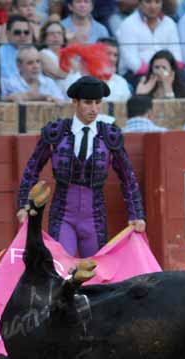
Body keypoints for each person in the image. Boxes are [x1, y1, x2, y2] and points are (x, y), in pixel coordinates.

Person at [17, 76, 146, 258]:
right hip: (63, 216)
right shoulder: (57, 132)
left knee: (95, 275)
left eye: (97, 103)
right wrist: (24, 205)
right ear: (75, 102)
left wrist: (136, 214)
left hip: (94, 217)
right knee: (61, 270)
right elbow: (32, 169)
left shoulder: (109, 135)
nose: (94, 109)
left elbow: (128, 177)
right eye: (87, 102)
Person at [116, 0, 182, 76]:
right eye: (148, 2)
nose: (153, 6)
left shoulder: (169, 23)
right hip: (136, 73)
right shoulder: (128, 24)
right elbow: (130, 59)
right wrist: (154, 72)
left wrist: (166, 71)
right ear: (140, 3)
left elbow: (176, 53)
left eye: (157, 2)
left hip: (166, 71)